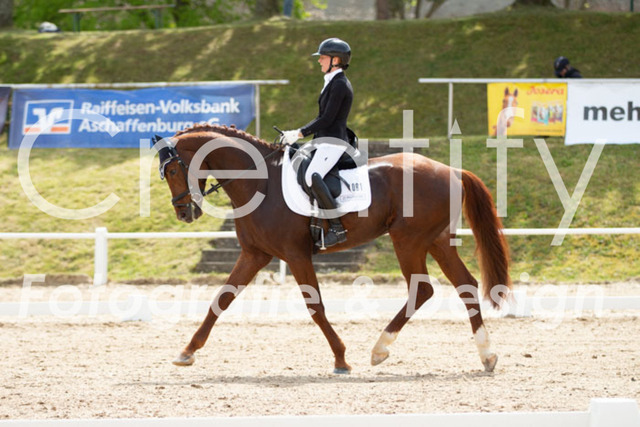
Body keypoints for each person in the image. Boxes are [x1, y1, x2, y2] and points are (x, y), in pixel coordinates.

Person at [282, 37, 354, 249]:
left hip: (334, 142)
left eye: (322, 57)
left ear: (335, 60)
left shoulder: (340, 84)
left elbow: (327, 119)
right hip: (323, 141)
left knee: (312, 176)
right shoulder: (331, 81)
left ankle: (337, 228)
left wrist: (299, 133)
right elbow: (322, 117)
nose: (319, 61)